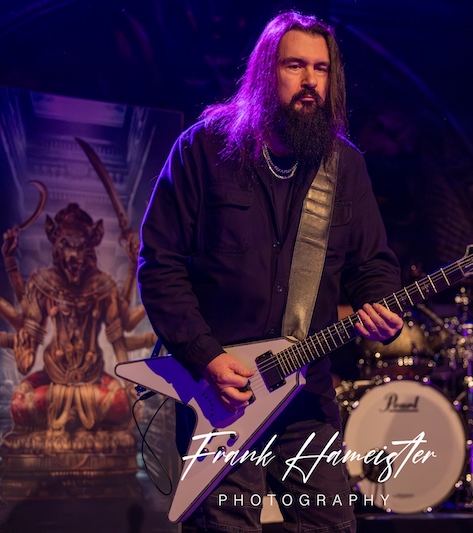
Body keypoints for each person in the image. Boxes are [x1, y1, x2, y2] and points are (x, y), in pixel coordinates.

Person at [138, 11, 403, 533]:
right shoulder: (202, 150)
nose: (310, 82)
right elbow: (160, 265)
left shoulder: (344, 166)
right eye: (295, 66)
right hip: (222, 391)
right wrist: (207, 357)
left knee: (330, 526)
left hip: (306, 393)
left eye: (321, 69)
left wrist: (382, 305)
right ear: (265, 72)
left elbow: (371, 263)